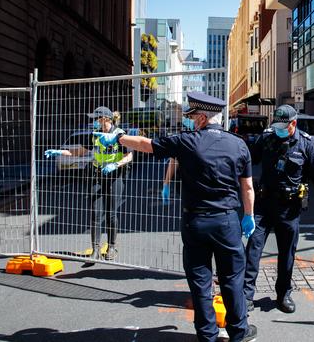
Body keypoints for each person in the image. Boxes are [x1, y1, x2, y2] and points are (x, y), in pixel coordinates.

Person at [92, 92, 257, 342]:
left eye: (192, 116)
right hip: (227, 221)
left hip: (196, 222)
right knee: (232, 277)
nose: (191, 121)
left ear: (202, 118)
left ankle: (207, 335)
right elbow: (247, 188)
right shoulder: (238, 144)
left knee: (200, 281)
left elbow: (147, 145)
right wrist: (249, 215)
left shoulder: (187, 142)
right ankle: (239, 332)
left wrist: (119, 137)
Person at [244, 104, 314, 314]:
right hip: (263, 204)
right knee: (253, 249)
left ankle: (283, 294)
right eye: (276, 125)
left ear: (293, 123)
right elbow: (247, 161)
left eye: (283, 126)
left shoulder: (306, 144)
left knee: (287, 254)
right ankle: (246, 296)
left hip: (289, 208)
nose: (278, 129)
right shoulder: (266, 138)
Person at [44, 106, 132, 265]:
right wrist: (59, 152)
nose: (94, 122)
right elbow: (77, 152)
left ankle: (111, 247)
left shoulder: (119, 134)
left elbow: (129, 156)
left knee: (111, 213)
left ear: (105, 119)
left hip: (114, 177)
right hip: (96, 175)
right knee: (95, 214)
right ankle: (96, 250)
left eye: (96, 119)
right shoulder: (94, 135)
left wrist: (116, 165)